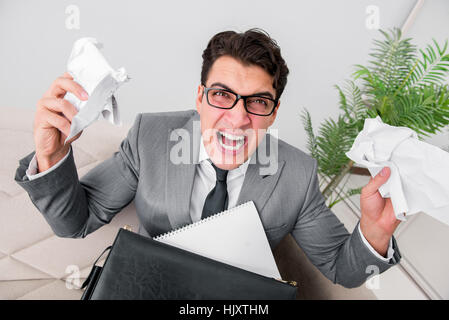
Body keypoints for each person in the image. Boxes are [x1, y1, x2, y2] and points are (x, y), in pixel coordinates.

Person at [15, 28, 401, 288]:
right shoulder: (151, 137)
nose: (237, 117)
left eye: (258, 102)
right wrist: (52, 154)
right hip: (150, 291)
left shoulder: (296, 174)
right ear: (199, 97)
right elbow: (76, 222)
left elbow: (341, 268)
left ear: (274, 111)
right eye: (222, 95)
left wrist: (375, 235)